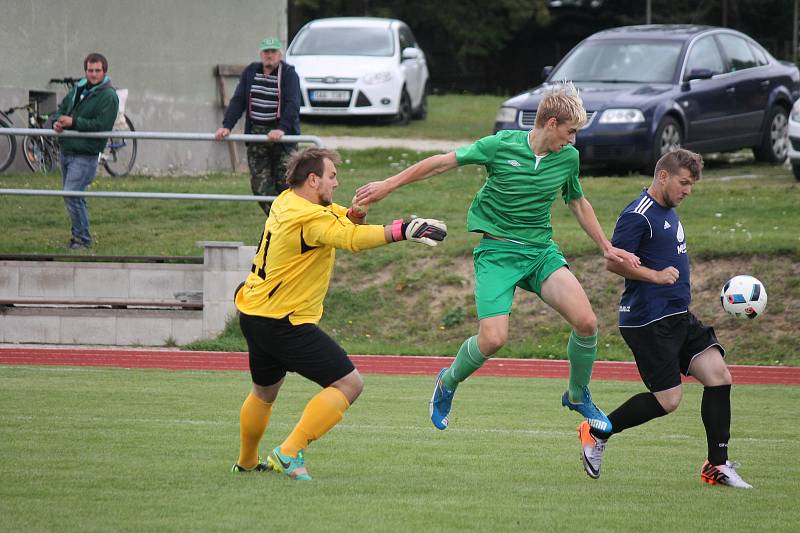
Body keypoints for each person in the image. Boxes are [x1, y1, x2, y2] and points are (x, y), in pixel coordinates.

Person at [355, 82, 639, 433]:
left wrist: (606, 247)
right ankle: (447, 383)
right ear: (550, 123)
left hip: (540, 253)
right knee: (492, 339)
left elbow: (577, 201)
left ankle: (578, 395)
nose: (573, 140)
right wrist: (387, 185)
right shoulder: (500, 145)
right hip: (497, 253)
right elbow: (441, 164)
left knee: (587, 323)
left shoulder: (568, 158)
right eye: (570, 131)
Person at [231, 147, 447, 480]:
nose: (337, 182)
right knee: (349, 384)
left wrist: (352, 214)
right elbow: (349, 240)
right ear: (313, 179)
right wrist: (403, 229)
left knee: (264, 392)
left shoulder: (286, 201)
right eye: (332, 176)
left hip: (254, 314)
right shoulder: (310, 217)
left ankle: (246, 462)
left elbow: (334, 220)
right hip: (284, 322)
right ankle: (288, 452)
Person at [577, 148, 752, 489]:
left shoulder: (669, 210)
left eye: (691, 185)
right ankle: (597, 431)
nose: (687, 190)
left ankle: (717, 465)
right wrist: (655, 277)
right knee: (668, 401)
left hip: (678, 316)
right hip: (647, 321)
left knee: (718, 375)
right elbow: (613, 261)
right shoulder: (638, 214)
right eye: (683, 183)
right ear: (663, 176)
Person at [215, 37, 301, 216]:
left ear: (280, 54)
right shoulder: (251, 71)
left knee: (286, 183)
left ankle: (296, 220)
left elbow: (293, 104)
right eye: (266, 52)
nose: (269, 56)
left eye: (273, 52)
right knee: (259, 185)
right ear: (261, 54)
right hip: (256, 135)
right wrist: (227, 126)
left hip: (282, 137)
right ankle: (281, 221)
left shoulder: (289, 74)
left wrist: (281, 129)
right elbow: (238, 100)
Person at [52, 52, 119, 249]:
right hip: (67, 150)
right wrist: (57, 122)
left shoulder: (109, 96)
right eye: (90, 70)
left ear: (104, 72)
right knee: (74, 196)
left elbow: (101, 125)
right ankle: (78, 236)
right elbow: (61, 109)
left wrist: (73, 122)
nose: (93, 74)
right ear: (85, 71)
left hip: (86, 154)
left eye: (97, 70)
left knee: (71, 194)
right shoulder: (78, 88)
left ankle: (82, 239)